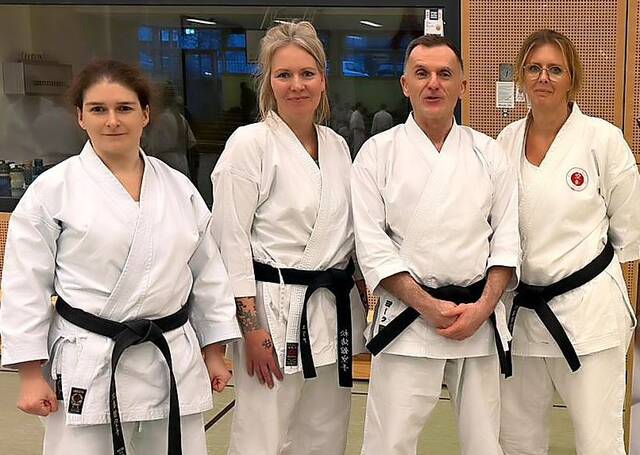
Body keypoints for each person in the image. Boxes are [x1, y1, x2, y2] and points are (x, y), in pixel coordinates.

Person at [0, 59, 241, 455]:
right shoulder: (53, 190)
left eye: (124, 108)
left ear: (145, 115)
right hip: (90, 357)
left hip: (169, 357)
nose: (112, 121)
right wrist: (29, 373)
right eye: (98, 109)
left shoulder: (178, 188)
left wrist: (214, 351)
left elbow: (208, 274)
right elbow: (25, 284)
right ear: (80, 117)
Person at [351, 34, 519, 455]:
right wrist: (429, 306)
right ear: (405, 84)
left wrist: (482, 308)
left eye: (445, 74)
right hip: (408, 321)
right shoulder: (377, 153)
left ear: (462, 86)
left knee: (485, 443)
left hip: (477, 319)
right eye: (422, 73)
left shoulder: (488, 153)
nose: (433, 84)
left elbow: (507, 241)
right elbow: (372, 246)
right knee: (389, 443)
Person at [210, 21, 367, 455]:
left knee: (326, 430)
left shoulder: (337, 145)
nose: (297, 85)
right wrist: (251, 329)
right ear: (269, 83)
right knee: (263, 434)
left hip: (330, 308)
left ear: (323, 80)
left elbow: (349, 234)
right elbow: (229, 241)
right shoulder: (249, 144)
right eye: (284, 75)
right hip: (272, 310)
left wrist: (364, 299)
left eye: (307, 73)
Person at [497, 29, 640, 455]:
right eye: (534, 68)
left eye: (555, 69)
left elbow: (630, 228)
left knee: (599, 442)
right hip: (523, 316)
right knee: (517, 441)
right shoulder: (505, 141)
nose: (543, 77)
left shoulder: (602, 139)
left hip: (588, 317)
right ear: (521, 77)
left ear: (571, 79)